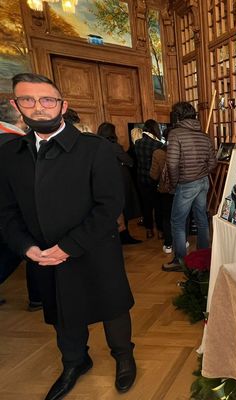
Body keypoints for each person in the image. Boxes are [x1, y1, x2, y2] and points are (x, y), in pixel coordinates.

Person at [0, 73, 136, 400]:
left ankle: (124, 356)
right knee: (62, 311)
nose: (40, 107)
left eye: (47, 100)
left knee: (112, 305)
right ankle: (75, 361)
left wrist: (68, 247)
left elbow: (109, 206)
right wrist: (28, 248)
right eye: (29, 100)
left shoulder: (95, 149)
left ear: (63, 105)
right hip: (42, 253)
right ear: (16, 106)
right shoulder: (9, 155)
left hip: (94, 248)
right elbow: (6, 212)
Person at [162, 102, 216, 272]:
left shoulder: (175, 134)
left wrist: (176, 182)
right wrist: (200, 173)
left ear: (177, 116)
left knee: (177, 222)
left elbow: (171, 164)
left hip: (186, 184)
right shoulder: (204, 136)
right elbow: (213, 163)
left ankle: (179, 260)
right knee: (201, 218)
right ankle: (204, 255)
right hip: (203, 182)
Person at [0, 98, 43, 311]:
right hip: (16, 209)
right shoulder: (13, 144)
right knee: (26, 249)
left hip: (9, 209)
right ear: (20, 116)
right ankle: (38, 297)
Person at [97, 122, 142, 245]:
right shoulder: (113, 146)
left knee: (112, 210)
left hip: (103, 181)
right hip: (119, 180)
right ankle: (124, 236)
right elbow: (129, 161)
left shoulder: (96, 145)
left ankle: (116, 237)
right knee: (123, 208)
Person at [134, 119, 164, 239]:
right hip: (154, 179)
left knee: (146, 205)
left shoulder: (137, 143)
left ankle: (149, 230)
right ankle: (161, 231)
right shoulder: (158, 145)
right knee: (158, 206)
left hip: (141, 178)